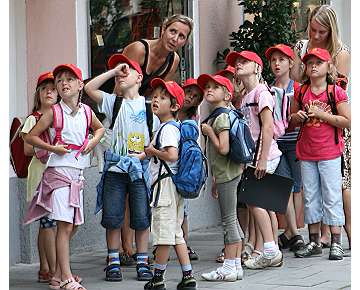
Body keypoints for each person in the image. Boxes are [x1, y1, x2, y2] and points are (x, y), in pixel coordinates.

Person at [23, 64, 105, 290]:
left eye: (70, 79)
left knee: (72, 226)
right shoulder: (53, 112)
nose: (63, 83)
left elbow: (99, 129)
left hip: (76, 177)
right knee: (64, 225)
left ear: (81, 85)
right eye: (60, 80)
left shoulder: (87, 112)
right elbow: (30, 137)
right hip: (57, 175)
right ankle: (67, 277)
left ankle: (58, 275)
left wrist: (92, 142)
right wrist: (52, 148)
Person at [85, 54, 154, 281]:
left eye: (128, 69)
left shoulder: (148, 106)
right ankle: (113, 260)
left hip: (139, 170)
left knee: (142, 218)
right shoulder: (112, 102)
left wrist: (146, 152)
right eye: (119, 71)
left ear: (139, 77)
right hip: (115, 170)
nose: (122, 73)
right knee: (113, 217)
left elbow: (156, 137)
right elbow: (89, 87)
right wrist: (114, 72)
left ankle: (142, 261)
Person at [291, 4, 351, 249]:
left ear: (331, 31)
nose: (315, 36)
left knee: (338, 185)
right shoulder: (302, 47)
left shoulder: (340, 52)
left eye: (321, 32)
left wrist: (318, 111)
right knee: (312, 188)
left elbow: (338, 96)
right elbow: (296, 81)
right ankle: (319, 238)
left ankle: (343, 235)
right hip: (308, 132)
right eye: (312, 30)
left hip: (332, 130)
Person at [226, 50, 283, 270]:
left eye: (244, 61)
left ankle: (269, 249)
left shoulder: (261, 92)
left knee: (254, 200)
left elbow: (268, 128)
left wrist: (261, 159)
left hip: (264, 155)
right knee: (263, 204)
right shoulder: (246, 96)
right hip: (254, 156)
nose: (238, 65)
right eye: (236, 63)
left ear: (257, 67)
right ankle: (271, 250)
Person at [144, 78, 197, 290]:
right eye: (155, 96)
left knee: (164, 236)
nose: (156, 100)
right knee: (176, 233)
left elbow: (171, 155)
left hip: (164, 187)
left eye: (163, 97)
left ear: (174, 106)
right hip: (173, 186)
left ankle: (158, 278)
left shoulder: (167, 128)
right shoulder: (171, 127)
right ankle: (188, 276)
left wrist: (152, 152)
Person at [199, 74, 244, 282]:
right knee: (232, 218)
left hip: (227, 174)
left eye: (215, 87)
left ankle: (228, 266)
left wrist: (208, 131)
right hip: (227, 173)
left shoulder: (221, 117)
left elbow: (223, 148)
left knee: (228, 220)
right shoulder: (225, 113)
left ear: (227, 95)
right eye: (207, 87)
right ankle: (235, 266)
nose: (209, 89)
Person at [264, 44, 305, 252]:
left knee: (296, 186)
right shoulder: (268, 89)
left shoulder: (297, 88)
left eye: (282, 59)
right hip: (277, 144)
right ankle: (295, 234)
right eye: (273, 60)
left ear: (291, 63)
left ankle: (291, 233)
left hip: (296, 141)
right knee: (284, 184)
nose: (277, 63)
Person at [21, 72, 58, 283]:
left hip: (58, 176)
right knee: (47, 224)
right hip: (40, 177)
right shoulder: (33, 119)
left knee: (51, 225)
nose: (49, 92)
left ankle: (46, 267)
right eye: (44, 89)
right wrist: (49, 149)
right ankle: (52, 270)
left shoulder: (61, 116)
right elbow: (27, 148)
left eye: (53, 88)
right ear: (38, 94)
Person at [122, 14, 193, 97]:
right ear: (163, 29)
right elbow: (120, 85)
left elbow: (159, 94)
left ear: (185, 42)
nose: (175, 39)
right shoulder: (139, 49)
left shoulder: (174, 60)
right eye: (173, 31)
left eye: (181, 36)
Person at [178, 78, 204, 261]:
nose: (190, 98)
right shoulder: (167, 111)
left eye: (195, 97)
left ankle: (184, 244)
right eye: (188, 92)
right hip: (164, 166)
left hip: (183, 168)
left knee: (183, 210)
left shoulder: (192, 120)